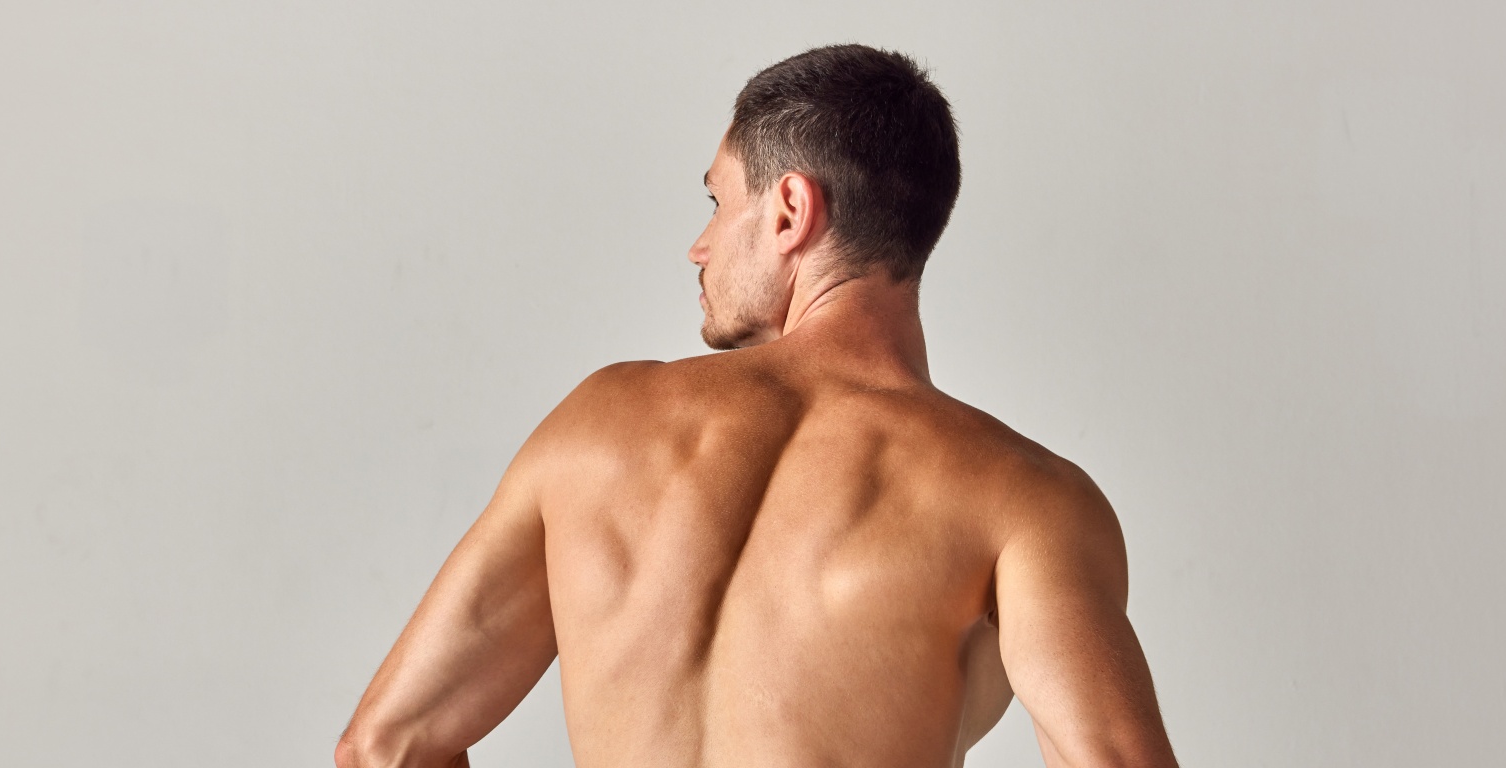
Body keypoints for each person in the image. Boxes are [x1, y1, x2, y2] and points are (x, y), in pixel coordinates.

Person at [336, 44, 1178, 768]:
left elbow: (385, 747)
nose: (698, 245)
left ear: (788, 211)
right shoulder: (1019, 498)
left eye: (716, 199)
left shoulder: (596, 427)